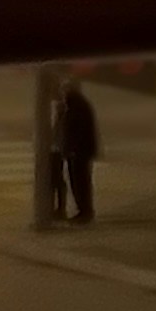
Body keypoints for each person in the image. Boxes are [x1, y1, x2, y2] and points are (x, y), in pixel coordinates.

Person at [58, 79, 100, 224]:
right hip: (78, 151)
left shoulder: (77, 105)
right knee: (79, 182)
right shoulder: (75, 104)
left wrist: (72, 149)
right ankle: (84, 210)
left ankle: (85, 211)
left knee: (80, 183)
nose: (62, 92)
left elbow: (77, 130)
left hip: (79, 152)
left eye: (65, 89)